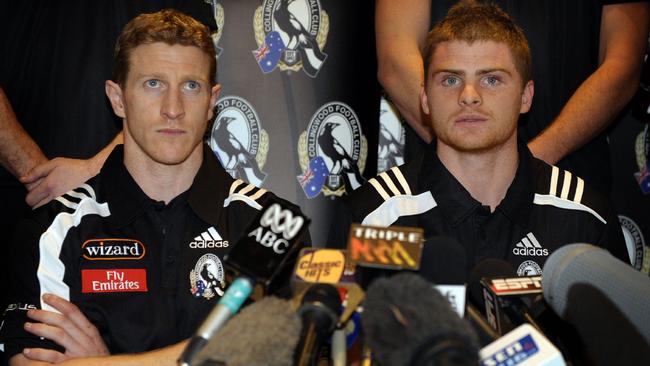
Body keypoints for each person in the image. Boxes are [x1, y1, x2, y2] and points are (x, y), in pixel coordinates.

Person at [0, 9, 306, 365]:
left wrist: (100, 362)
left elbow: (279, 355)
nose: (173, 108)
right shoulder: (53, 229)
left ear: (212, 101)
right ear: (117, 99)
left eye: (191, 86)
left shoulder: (272, 223)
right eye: (153, 84)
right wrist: (213, 351)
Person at [332, 1, 628, 276]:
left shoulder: (585, 218)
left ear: (525, 97)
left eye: (491, 79)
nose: (469, 96)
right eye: (450, 80)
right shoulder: (372, 217)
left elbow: (617, 332)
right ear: (425, 98)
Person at [376, 0, 649, 195]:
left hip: (570, 175)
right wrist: (463, 156)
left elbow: (623, 66)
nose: (470, 96)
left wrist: (526, 161)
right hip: (440, 183)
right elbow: (395, 62)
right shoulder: (378, 205)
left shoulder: (586, 214)